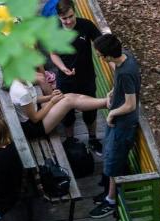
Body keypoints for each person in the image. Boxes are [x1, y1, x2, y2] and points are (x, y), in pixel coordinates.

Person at [89, 33, 140, 219]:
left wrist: (112, 113)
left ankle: (111, 200)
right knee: (110, 155)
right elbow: (125, 88)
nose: (100, 59)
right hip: (118, 121)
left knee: (113, 163)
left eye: (101, 55)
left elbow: (131, 104)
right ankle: (109, 194)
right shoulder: (125, 59)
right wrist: (112, 91)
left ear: (108, 56)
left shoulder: (126, 72)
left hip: (123, 123)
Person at [49, 0, 102, 152]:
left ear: (74, 11)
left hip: (87, 77)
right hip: (65, 79)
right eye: (64, 18)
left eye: (71, 16)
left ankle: (93, 139)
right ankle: (70, 140)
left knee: (91, 111)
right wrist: (63, 68)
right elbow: (53, 54)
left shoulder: (86, 25)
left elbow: (101, 44)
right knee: (67, 113)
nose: (69, 21)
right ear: (59, 17)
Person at [9, 76, 105, 141]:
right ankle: (106, 103)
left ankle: (105, 102)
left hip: (35, 112)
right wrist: (52, 102)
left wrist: (50, 97)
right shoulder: (21, 92)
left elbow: (32, 100)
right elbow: (35, 118)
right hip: (34, 127)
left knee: (69, 96)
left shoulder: (21, 79)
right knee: (68, 101)